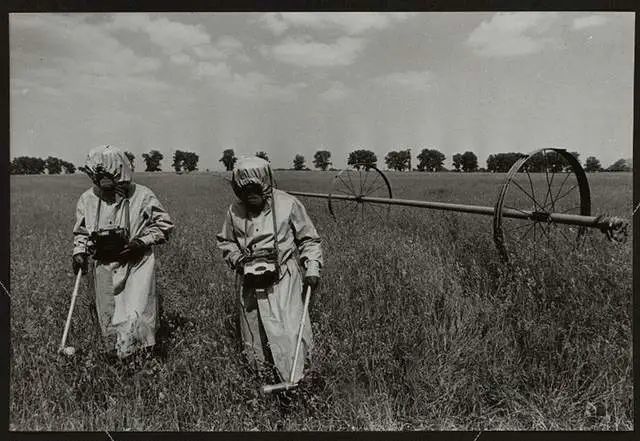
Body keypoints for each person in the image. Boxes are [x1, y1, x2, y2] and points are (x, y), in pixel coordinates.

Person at [216, 156, 323, 387]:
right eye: (245, 191)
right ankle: (264, 382)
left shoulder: (288, 204)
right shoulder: (234, 211)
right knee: (255, 337)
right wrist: (239, 260)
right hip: (250, 282)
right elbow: (226, 242)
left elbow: (309, 239)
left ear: (265, 183)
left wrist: (312, 268)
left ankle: (300, 383)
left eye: (255, 189)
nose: (250, 196)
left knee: (290, 332)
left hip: (283, 280)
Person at [72, 145, 174, 360]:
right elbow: (81, 231)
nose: (109, 192)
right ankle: (115, 360)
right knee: (108, 312)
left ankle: (142, 361)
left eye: (114, 185)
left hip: (137, 264)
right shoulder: (87, 199)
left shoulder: (143, 195)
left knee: (137, 313)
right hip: (104, 266)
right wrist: (79, 252)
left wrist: (141, 241)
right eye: (103, 186)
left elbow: (165, 225)